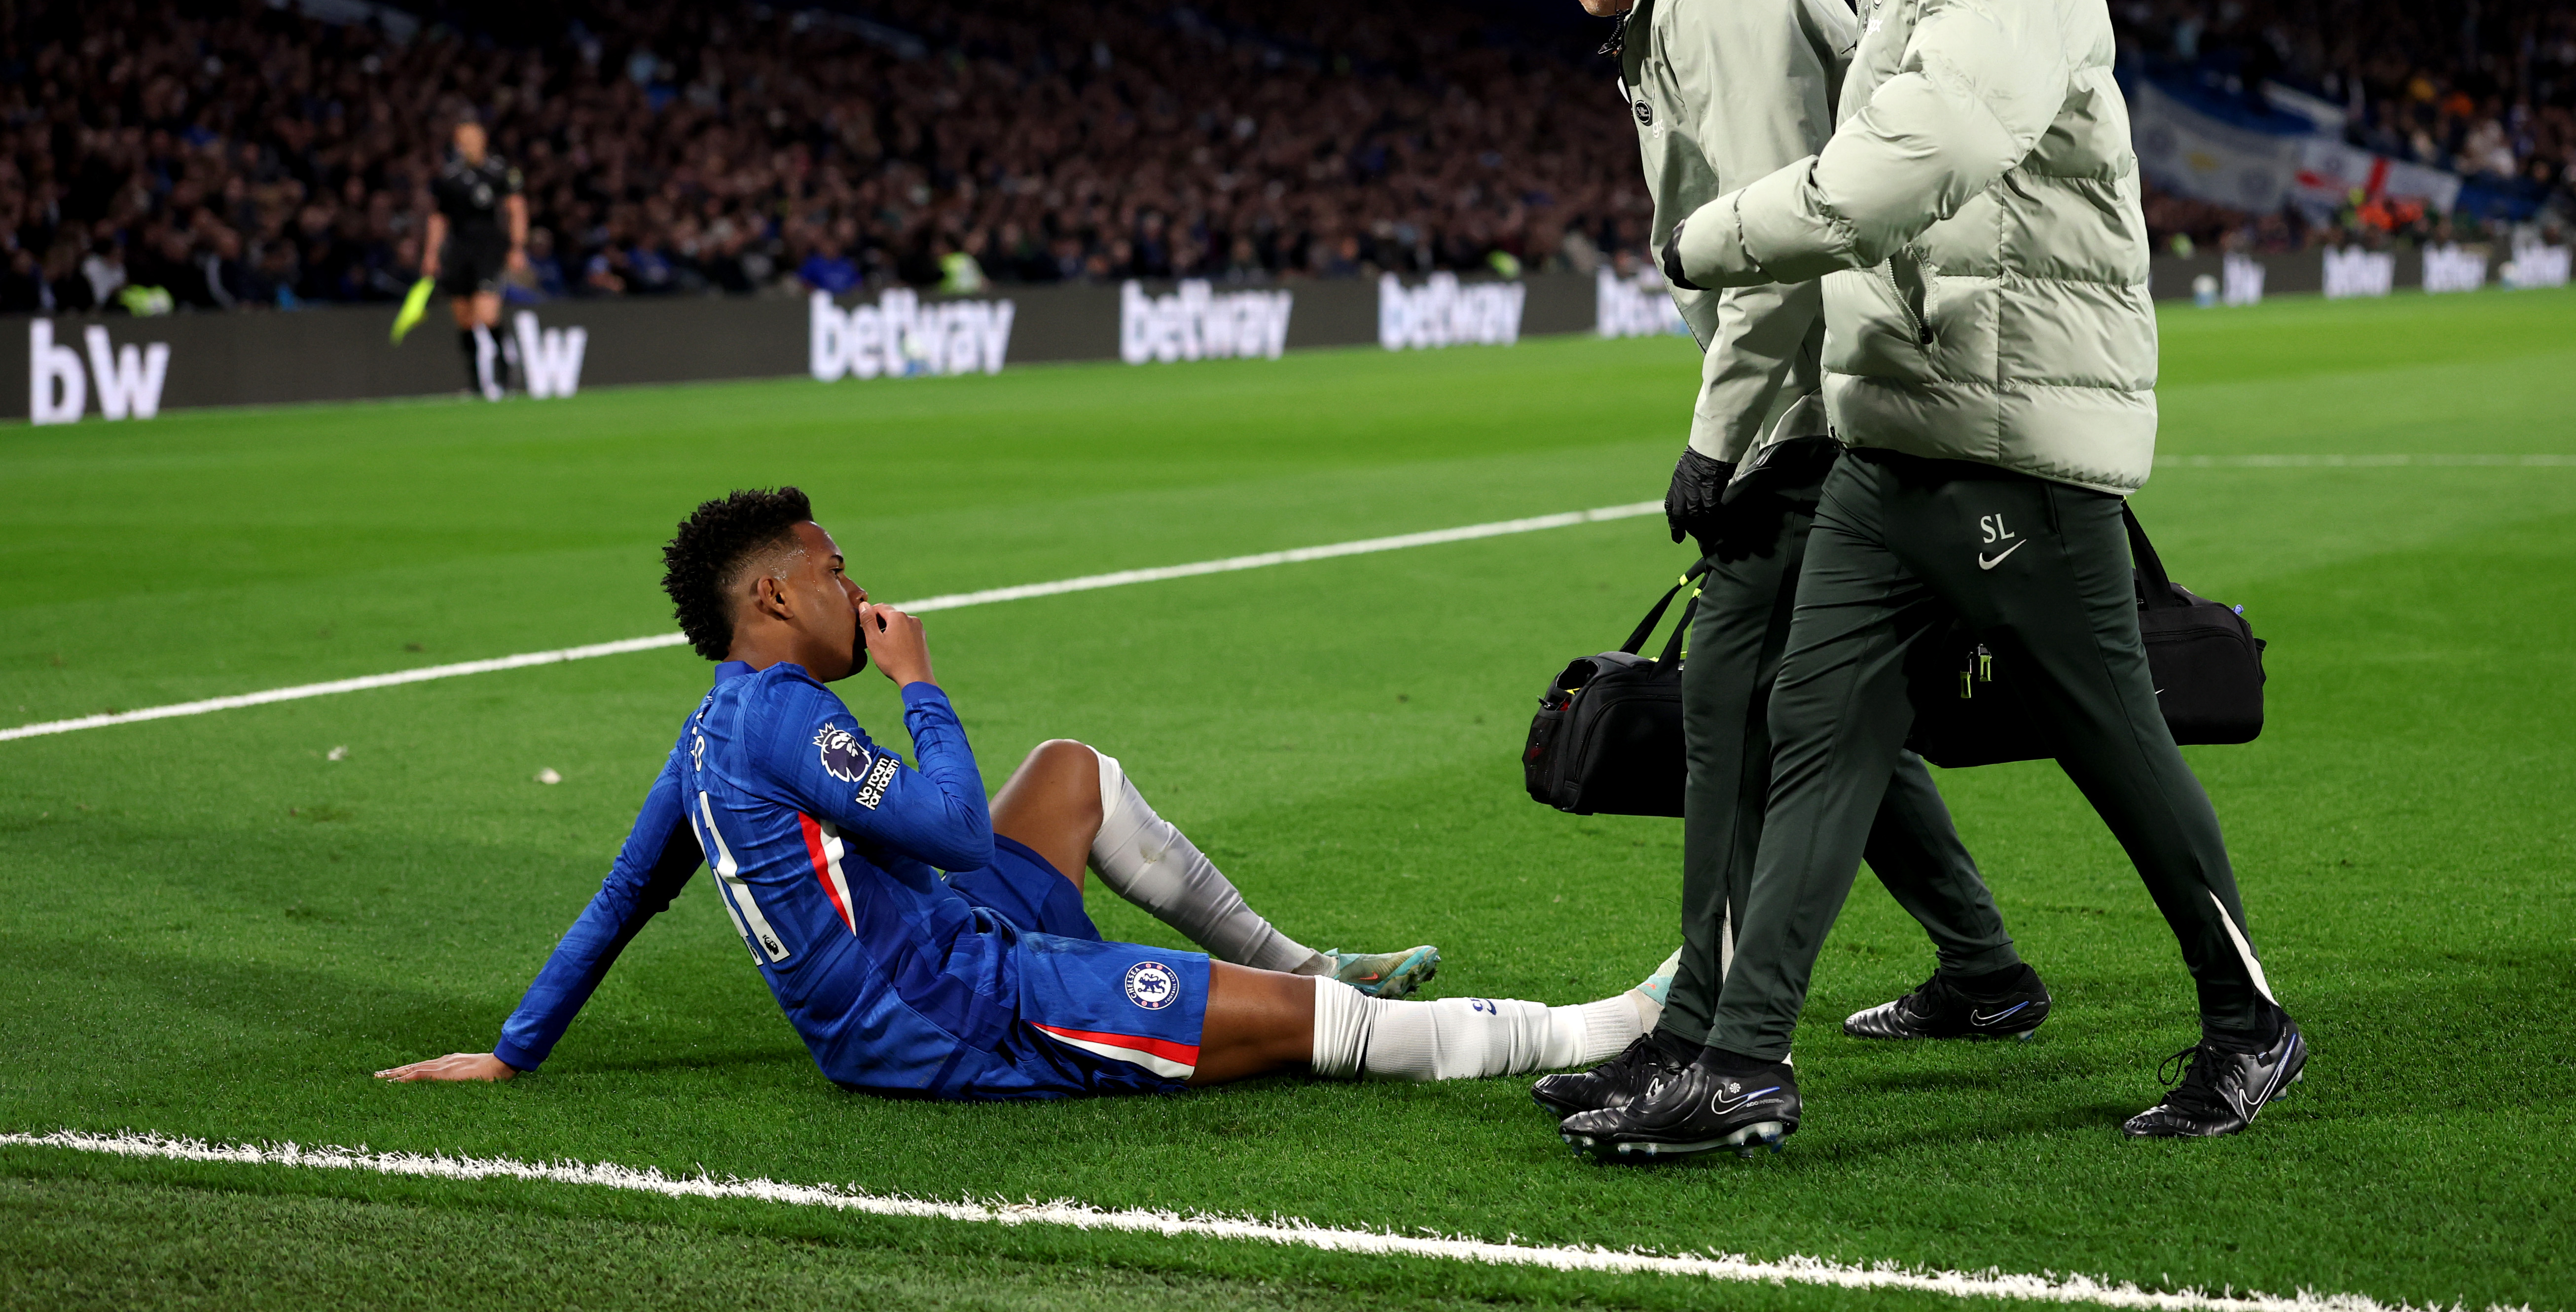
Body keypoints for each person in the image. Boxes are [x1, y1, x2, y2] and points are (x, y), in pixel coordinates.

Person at [1563, 0, 2302, 1160]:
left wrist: (1718, 234)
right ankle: (1742, 1063)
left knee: (2113, 745)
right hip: (1894, 434)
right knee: (1813, 731)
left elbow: (1925, 158)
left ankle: (2246, 1018)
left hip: (2012, 435)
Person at [379, 487, 1671, 1098]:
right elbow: (941, 821)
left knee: (1069, 776)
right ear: (772, 596)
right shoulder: (780, 716)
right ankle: (1599, 1030)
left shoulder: (709, 731)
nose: (854, 586)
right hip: (958, 1013)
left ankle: (1312, 953)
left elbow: (619, 902)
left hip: (950, 939)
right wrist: (919, 684)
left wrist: (512, 1051)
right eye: (832, 570)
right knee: (1316, 1035)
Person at [1508, 0, 2047, 1135]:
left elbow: (1785, 233)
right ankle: (1982, 973)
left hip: (1814, 420)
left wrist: (1718, 440)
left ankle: (1709, 1041)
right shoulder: (1701, 3)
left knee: (1736, 714)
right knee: (1828, 719)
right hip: (1830, 408)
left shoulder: (1715, 0)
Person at [422, 112, 528, 401]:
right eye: (463, 140)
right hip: (458, 251)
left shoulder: (499, 172)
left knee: (487, 314)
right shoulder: (449, 178)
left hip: (490, 250)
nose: (469, 144)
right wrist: (431, 253)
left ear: (483, 140)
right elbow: (438, 218)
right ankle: (477, 385)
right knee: (465, 319)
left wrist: (518, 247)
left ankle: (507, 374)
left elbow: (516, 208)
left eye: (474, 138)